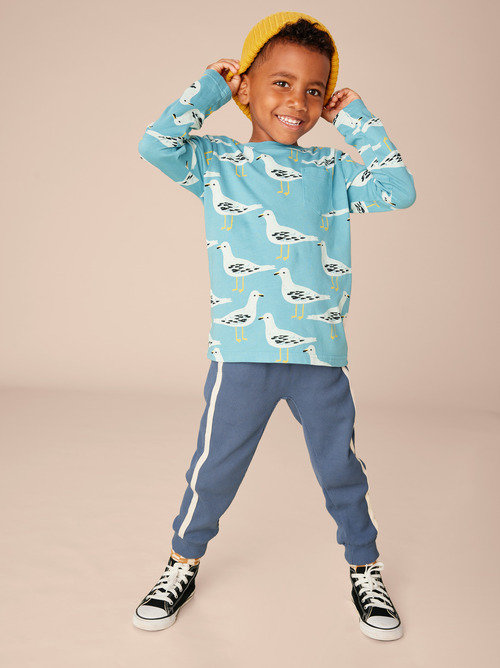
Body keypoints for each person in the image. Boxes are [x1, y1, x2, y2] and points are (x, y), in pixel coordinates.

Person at [133, 11, 416, 641]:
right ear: (248, 88)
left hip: (320, 358)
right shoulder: (216, 161)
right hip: (241, 354)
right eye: (281, 83)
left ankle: (365, 567)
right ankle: (182, 562)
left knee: (341, 470)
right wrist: (211, 89)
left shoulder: (332, 170)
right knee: (213, 470)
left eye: (314, 90)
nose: (298, 102)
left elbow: (399, 189)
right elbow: (155, 144)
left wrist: (356, 120)